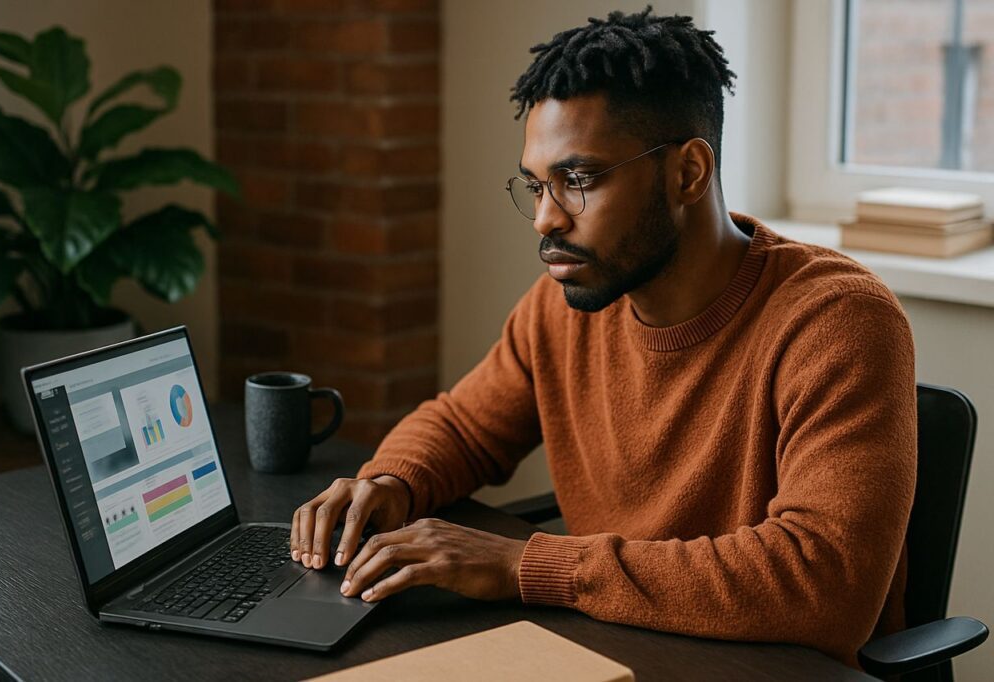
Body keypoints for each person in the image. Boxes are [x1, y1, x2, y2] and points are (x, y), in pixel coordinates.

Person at [288, 6, 916, 667]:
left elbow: (824, 585)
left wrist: (529, 566)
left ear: (688, 173)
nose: (544, 220)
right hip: (610, 649)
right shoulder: (569, 305)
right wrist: (388, 484)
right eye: (535, 185)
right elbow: (466, 427)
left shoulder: (839, 322)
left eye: (578, 181)